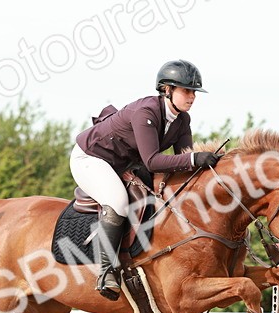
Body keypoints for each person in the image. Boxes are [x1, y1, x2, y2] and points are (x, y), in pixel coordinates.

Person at [71, 59, 222, 300]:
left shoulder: (182, 120)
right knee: (118, 200)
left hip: (126, 164)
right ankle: (106, 272)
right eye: (186, 91)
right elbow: (153, 161)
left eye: (194, 92)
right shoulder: (146, 112)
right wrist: (195, 159)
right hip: (91, 158)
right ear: (167, 89)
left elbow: (182, 162)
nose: (192, 97)